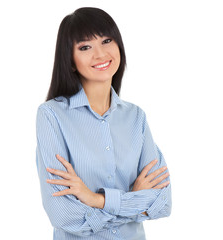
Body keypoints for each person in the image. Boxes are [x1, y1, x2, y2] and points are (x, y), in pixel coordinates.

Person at [36, 7, 172, 240]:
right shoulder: (52, 115)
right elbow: (65, 216)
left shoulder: (136, 117)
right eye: (85, 47)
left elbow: (162, 202)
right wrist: (132, 203)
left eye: (107, 40)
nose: (100, 54)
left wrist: (95, 199)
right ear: (69, 60)